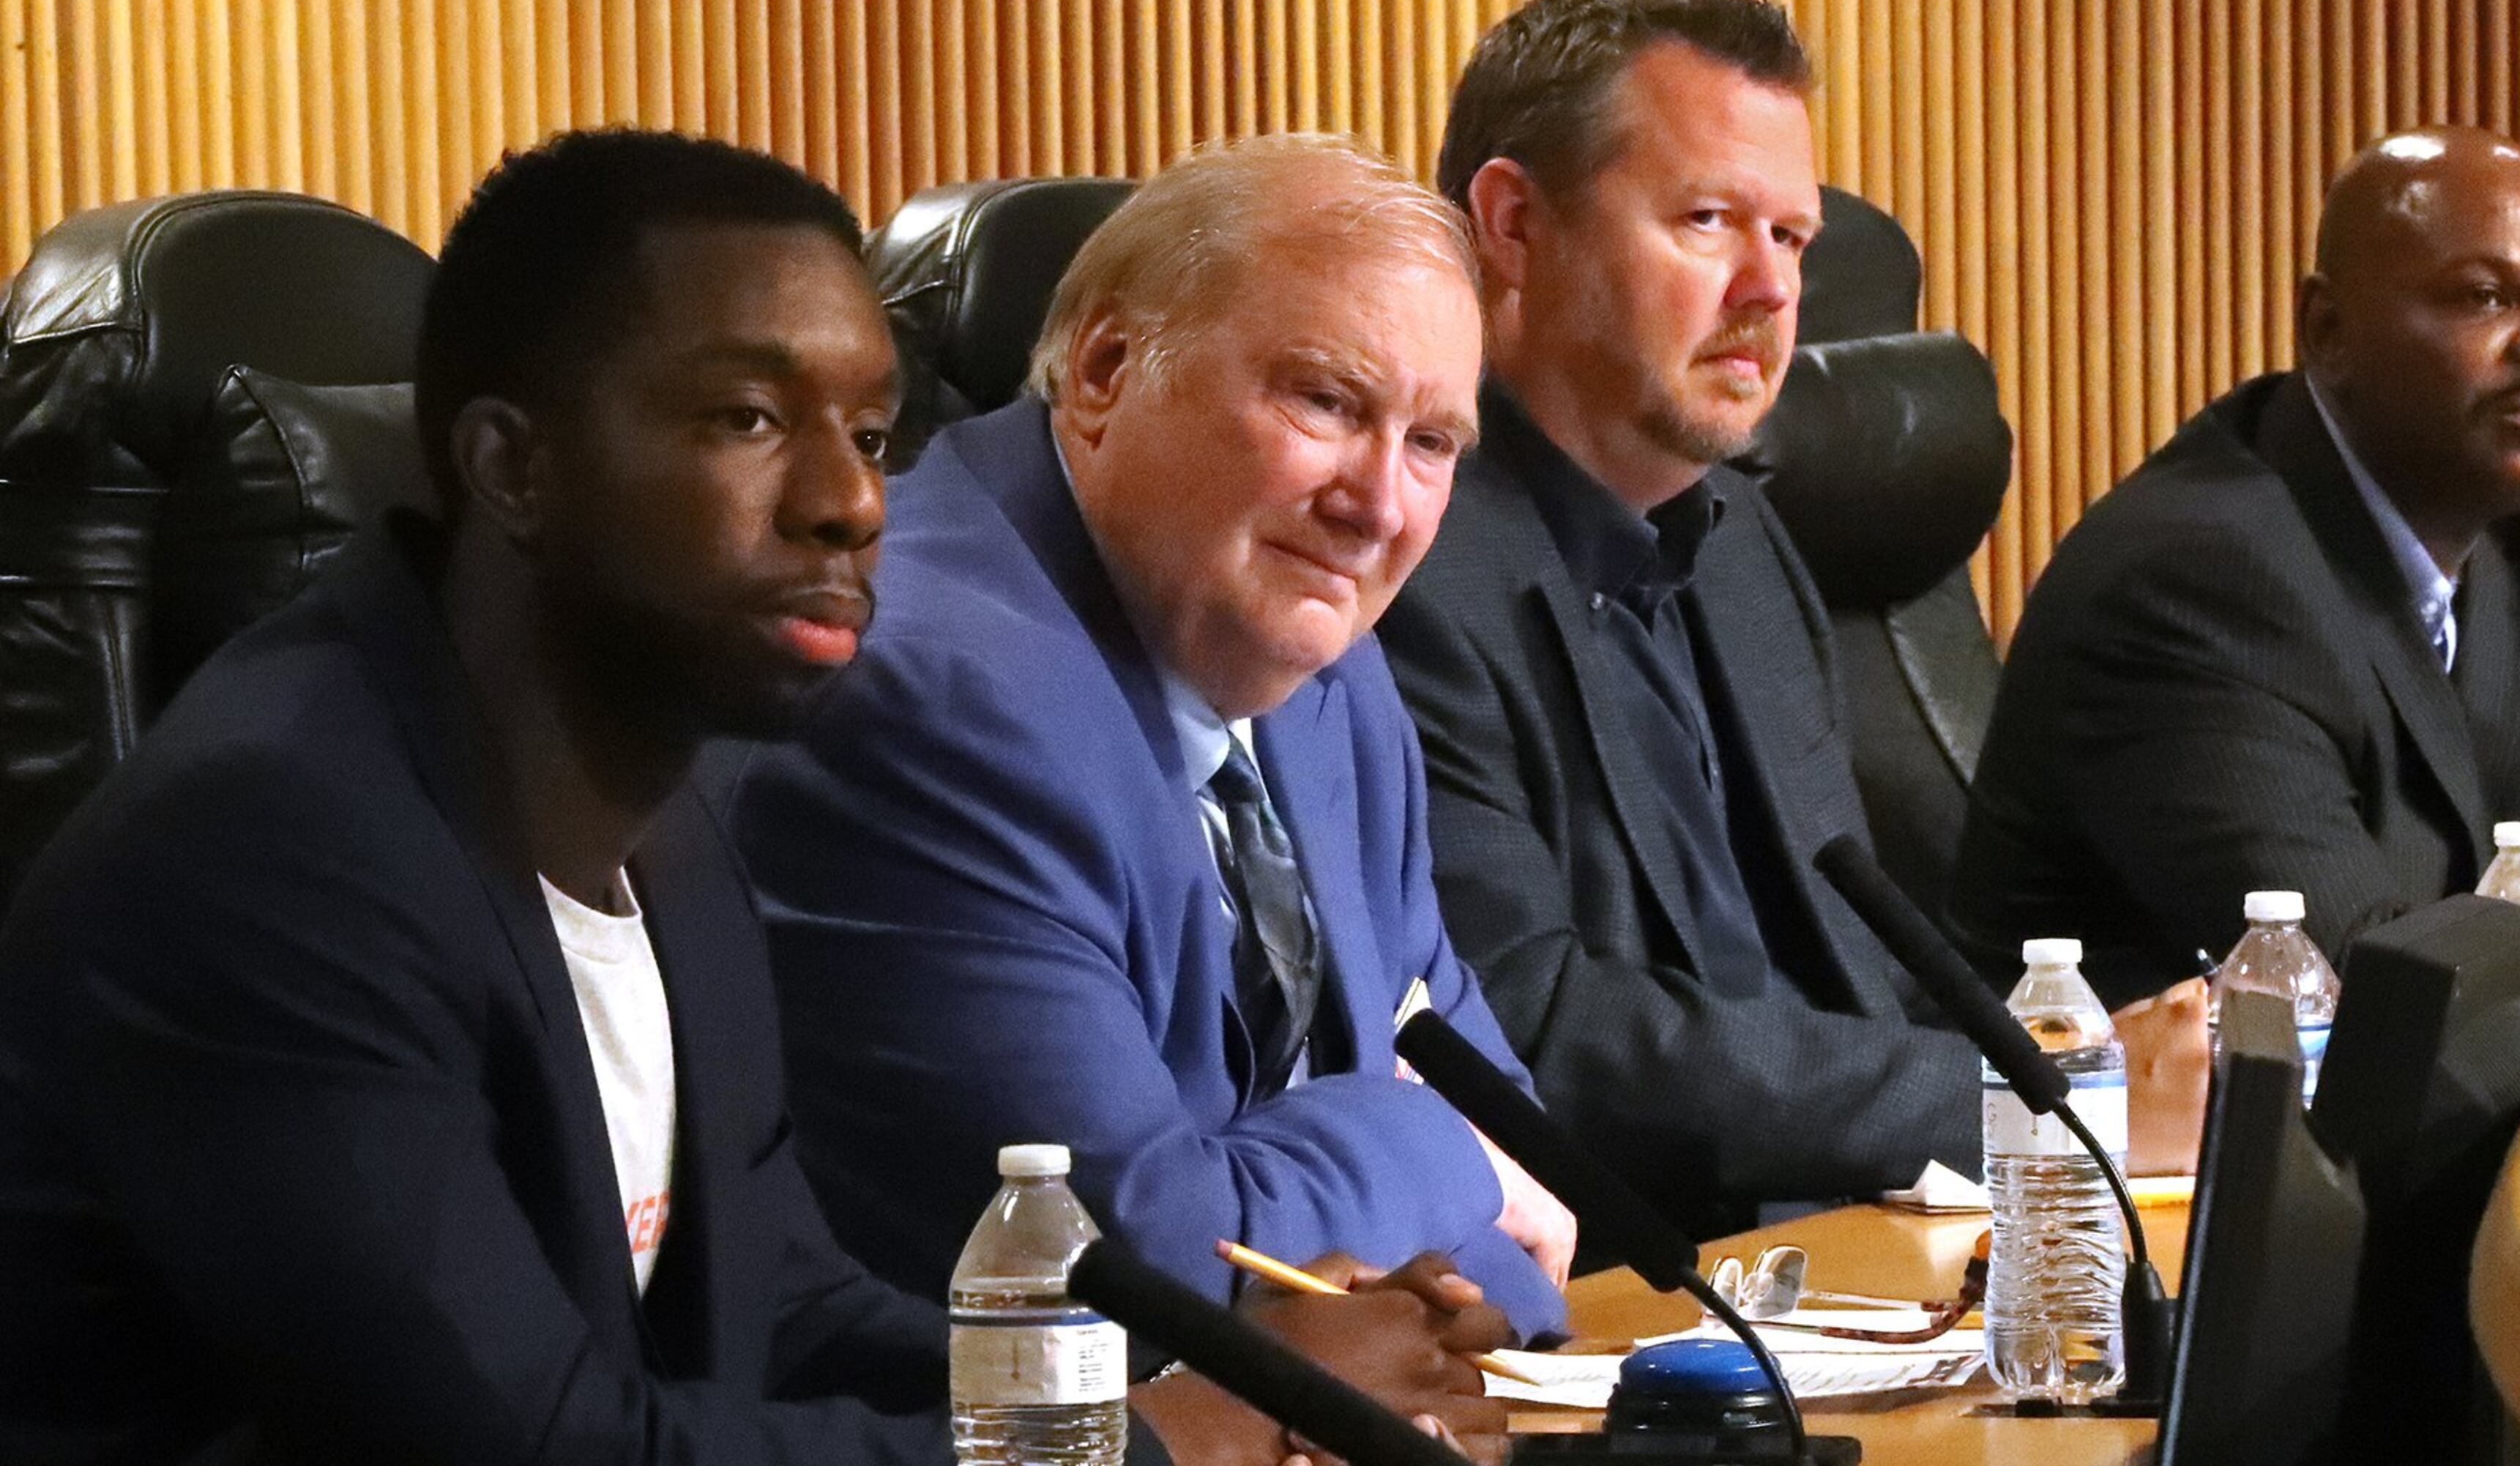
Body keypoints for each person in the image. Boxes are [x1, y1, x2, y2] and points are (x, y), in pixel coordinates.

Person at [0, 127, 1507, 1463]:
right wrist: (1140, 1445)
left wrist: (1229, 1384)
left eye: (866, 432)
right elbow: (530, 1441)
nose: (850, 502)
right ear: (512, 467)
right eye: (745, 421)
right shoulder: (283, 852)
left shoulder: (663, 833)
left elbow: (784, 1312)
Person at [725, 134, 1576, 1340]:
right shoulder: (918, 697)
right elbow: (1141, 1260)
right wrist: (1441, 1150)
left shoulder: (1333, 685)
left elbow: (1529, 1253)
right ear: (1108, 369)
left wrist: (1437, 1192)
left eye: (1432, 443)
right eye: (1327, 402)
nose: (1380, 507)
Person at [1373, 0, 1991, 1240]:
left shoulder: (1747, 539)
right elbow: (1533, 1026)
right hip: (1614, 1296)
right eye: (1709, 221)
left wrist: (2069, 1069)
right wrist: (1994, 1103)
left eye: (1794, 238)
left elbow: (1854, 966)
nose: (1770, 292)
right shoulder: (1401, 556)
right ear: (1513, 224)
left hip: (1853, 1258)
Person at [1953, 126, 2520, 1008]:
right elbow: (2372, 997)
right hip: (2160, 1132)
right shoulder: (2195, 582)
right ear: (2327, 330)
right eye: (2486, 297)